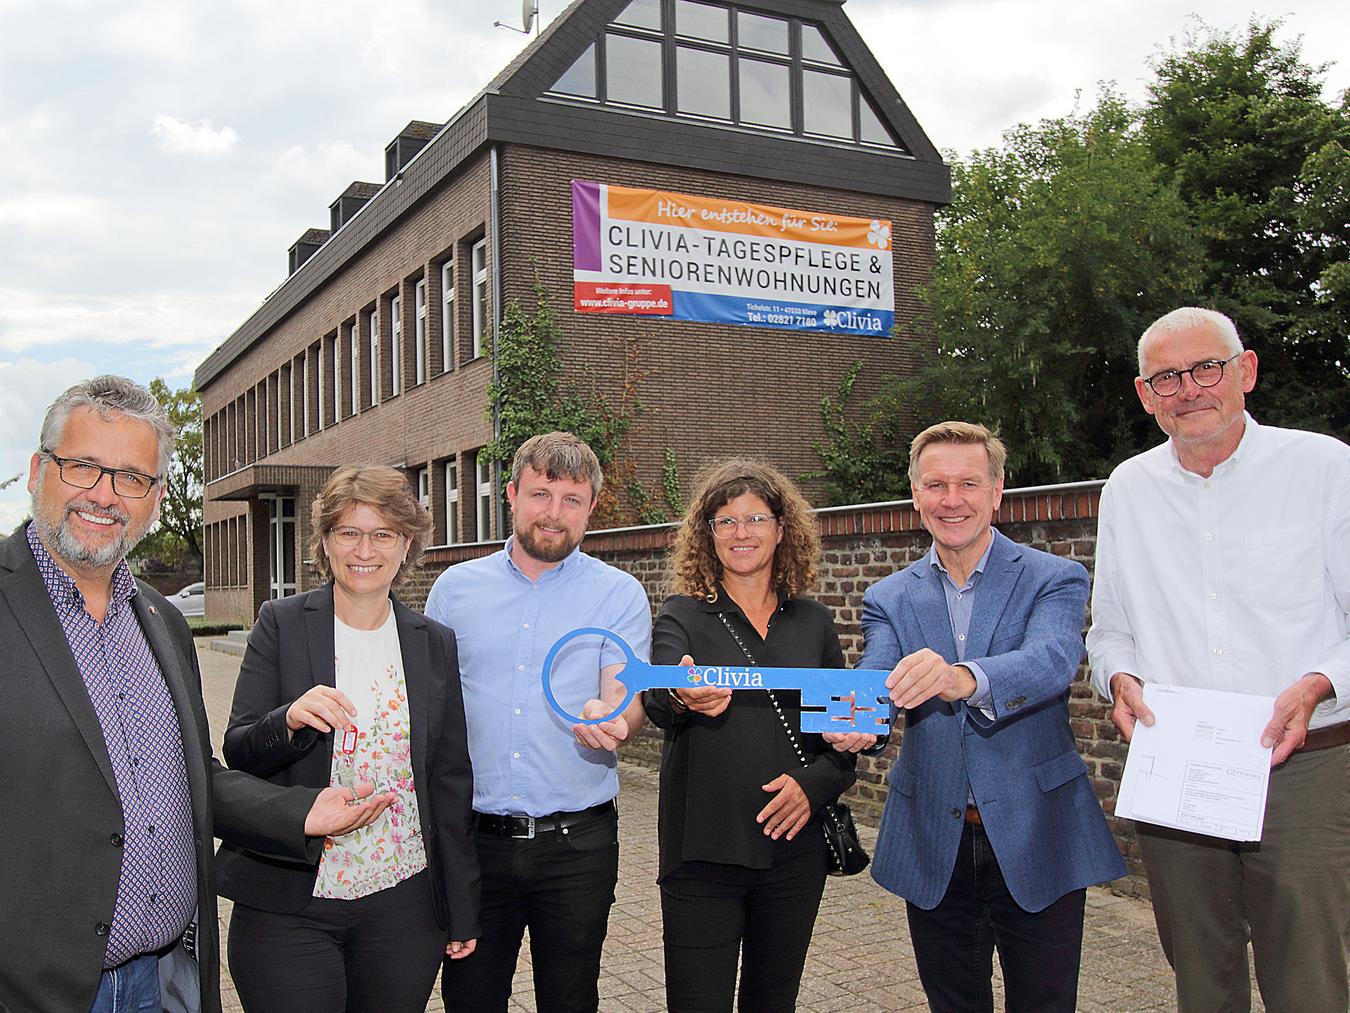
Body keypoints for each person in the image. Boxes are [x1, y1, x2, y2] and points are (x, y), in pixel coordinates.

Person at [0, 376, 393, 1013]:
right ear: (39, 469)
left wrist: (301, 814)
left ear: (155, 498)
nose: (105, 495)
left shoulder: (159, 620)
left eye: (132, 477)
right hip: (41, 989)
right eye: (85, 467)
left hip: (167, 980)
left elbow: (193, 780)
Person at [1087, 306, 1350, 1012]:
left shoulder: (1325, 467)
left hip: (1306, 756)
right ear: (1146, 395)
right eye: (1167, 376)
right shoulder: (1128, 489)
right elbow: (1109, 624)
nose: (1189, 388)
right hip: (1180, 767)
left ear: (1246, 371)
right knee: (1201, 972)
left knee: (1310, 975)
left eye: (1207, 367)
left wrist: (1319, 682)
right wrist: (1118, 676)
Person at [853, 421, 1124, 1013]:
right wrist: (859, 723)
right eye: (936, 485)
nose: (952, 500)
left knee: (1046, 1002)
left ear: (998, 491)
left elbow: (1052, 660)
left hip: (1037, 830)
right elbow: (875, 679)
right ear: (916, 494)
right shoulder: (888, 597)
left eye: (968, 483)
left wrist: (963, 678)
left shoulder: (1054, 576)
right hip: (934, 841)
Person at [217, 465, 480, 1012]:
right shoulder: (281, 624)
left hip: (403, 901)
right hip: (291, 899)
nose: (366, 549)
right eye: (349, 532)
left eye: (383, 533)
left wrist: (460, 905)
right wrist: (287, 720)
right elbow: (238, 749)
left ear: (406, 544)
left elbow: (450, 781)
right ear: (326, 543)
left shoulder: (434, 643)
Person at [425, 432, 651, 1013]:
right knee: (471, 999)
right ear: (512, 494)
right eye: (541, 494)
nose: (554, 513)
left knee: (572, 999)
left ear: (591, 508)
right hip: (475, 844)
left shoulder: (618, 594)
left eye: (572, 500)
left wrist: (616, 721)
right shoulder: (454, 591)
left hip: (577, 847)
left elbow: (623, 698)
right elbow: (430, 712)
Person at [642, 459, 855, 1013]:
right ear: (706, 534)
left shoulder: (814, 623)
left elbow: (845, 739)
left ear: (782, 529)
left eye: (755, 519)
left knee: (773, 1001)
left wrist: (813, 787)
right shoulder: (682, 615)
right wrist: (683, 693)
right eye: (725, 521)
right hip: (703, 853)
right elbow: (658, 696)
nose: (741, 533)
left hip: (794, 852)